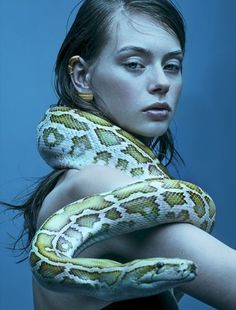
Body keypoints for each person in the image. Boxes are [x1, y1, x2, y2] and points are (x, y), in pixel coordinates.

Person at [6, 0, 236, 309]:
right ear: (81, 77)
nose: (162, 83)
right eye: (134, 64)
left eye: (172, 65)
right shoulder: (98, 184)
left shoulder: (78, 181)